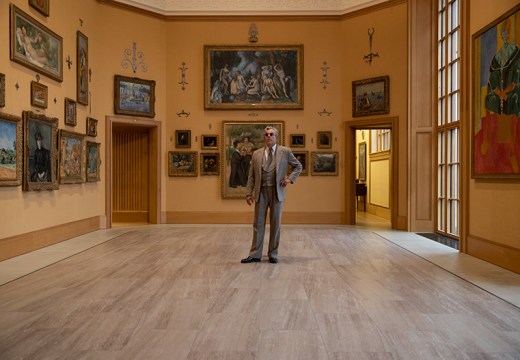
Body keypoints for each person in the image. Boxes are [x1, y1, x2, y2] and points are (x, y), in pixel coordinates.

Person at [241, 126, 302, 264]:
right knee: (258, 224)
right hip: (261, 191)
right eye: (266, 134)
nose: (268, 136)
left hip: (277, 192)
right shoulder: (256, 154)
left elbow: (298, 166)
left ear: (276, 137)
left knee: (275, 224)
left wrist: (289, 179)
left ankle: (273, 254)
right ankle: (255, 254)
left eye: (271, 134)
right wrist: (248, 193)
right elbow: (251, 175)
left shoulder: (285, 152)